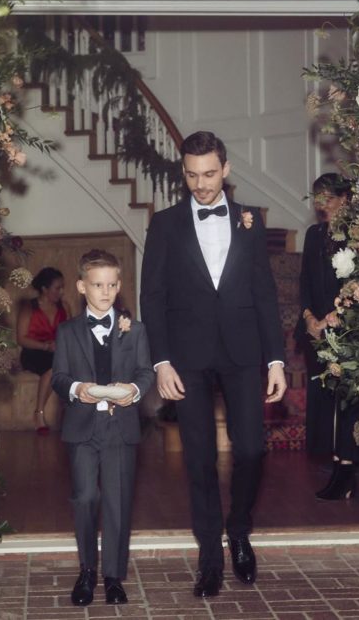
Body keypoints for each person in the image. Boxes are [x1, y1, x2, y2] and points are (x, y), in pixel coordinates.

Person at [140, 130, 287, 598]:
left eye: (209, 174)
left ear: (225, 169)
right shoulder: (164, 225)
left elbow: (264, 293)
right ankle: (209, 554)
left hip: (245, 355)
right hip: (188, 359)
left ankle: (239, 529)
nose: (201, 184)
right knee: (199, 459)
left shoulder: (251, 221)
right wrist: (160, 361)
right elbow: (153, 297)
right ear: (183, 172)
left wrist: (277, 360)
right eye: (191, 175)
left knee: (251, 451)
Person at [51, 249, 154, 606]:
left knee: (117, 501)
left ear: (120, 286)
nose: (105, 292)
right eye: (97, 285)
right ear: (81, 286)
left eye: (112, 285)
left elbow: (145, 372)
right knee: (85, 497)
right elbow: (59, 377)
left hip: (120, 428)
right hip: (81, 427)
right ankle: (86, 571)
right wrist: (76, 389)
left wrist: (135, 390)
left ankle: (113, 576)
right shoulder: (67, 331)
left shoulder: (134, 330)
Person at [296, 173, 359, 500]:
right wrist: (310, 317)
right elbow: (305, 282)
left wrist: (339, 314)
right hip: (316, 329)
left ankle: (347, 468)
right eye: (317, 197)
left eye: (329, 197)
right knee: (327, 399)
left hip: (349, 327)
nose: (322, 205)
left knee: (347, 400)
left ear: (345, 198)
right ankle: (337, 464)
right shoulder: (313, 234)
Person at [16, 266, 71, 434]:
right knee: (54, 368)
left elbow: (70, 333)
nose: (61, 292)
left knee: (60, 365)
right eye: (57, 288)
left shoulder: (64, 307)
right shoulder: (29, 308)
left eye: (62, 287)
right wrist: (46, 346)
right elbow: (21, 338)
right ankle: (38, 414)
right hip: (33, 352)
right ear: (45, 289)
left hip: (57, 352)